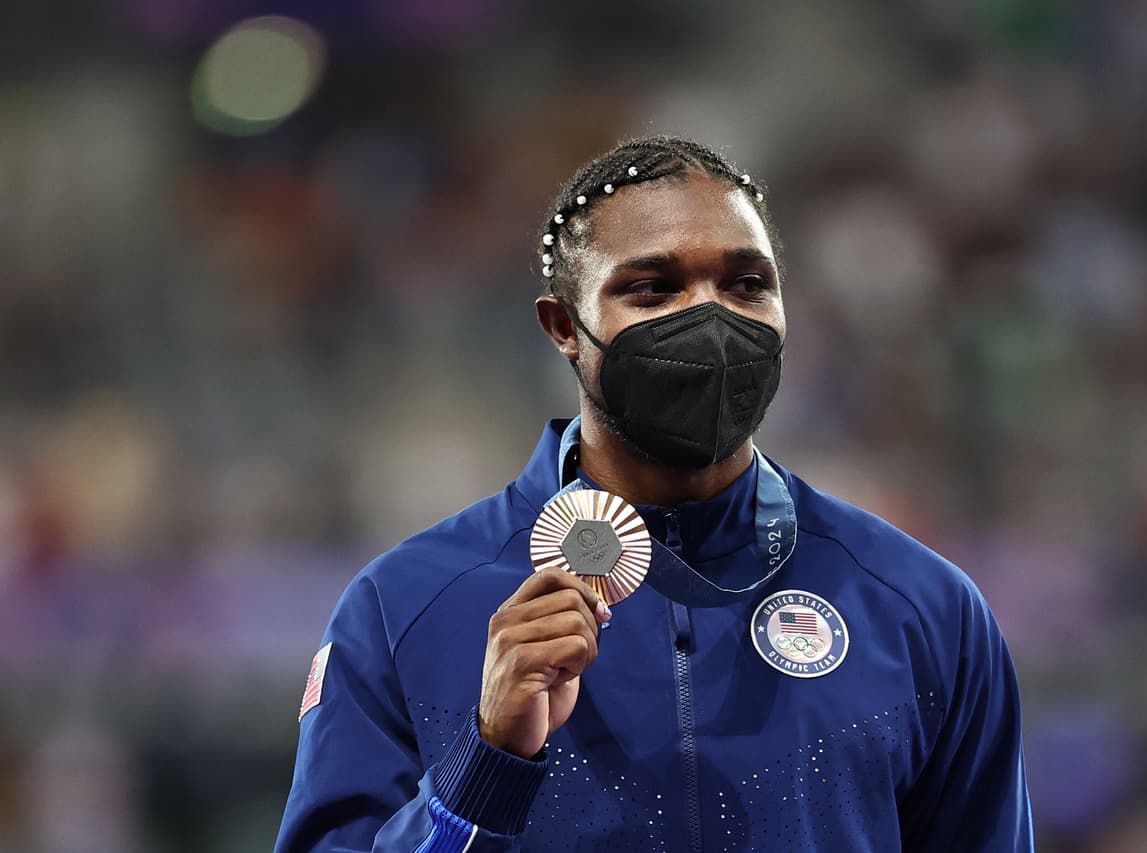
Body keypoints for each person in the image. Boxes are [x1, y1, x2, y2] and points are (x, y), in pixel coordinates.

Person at [274, 135, 1034, 852]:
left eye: (746, 283)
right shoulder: (406, 606)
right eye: (652, 287)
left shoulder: (923, 608)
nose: (708, 319)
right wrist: (486, 762)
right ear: (563, 326)